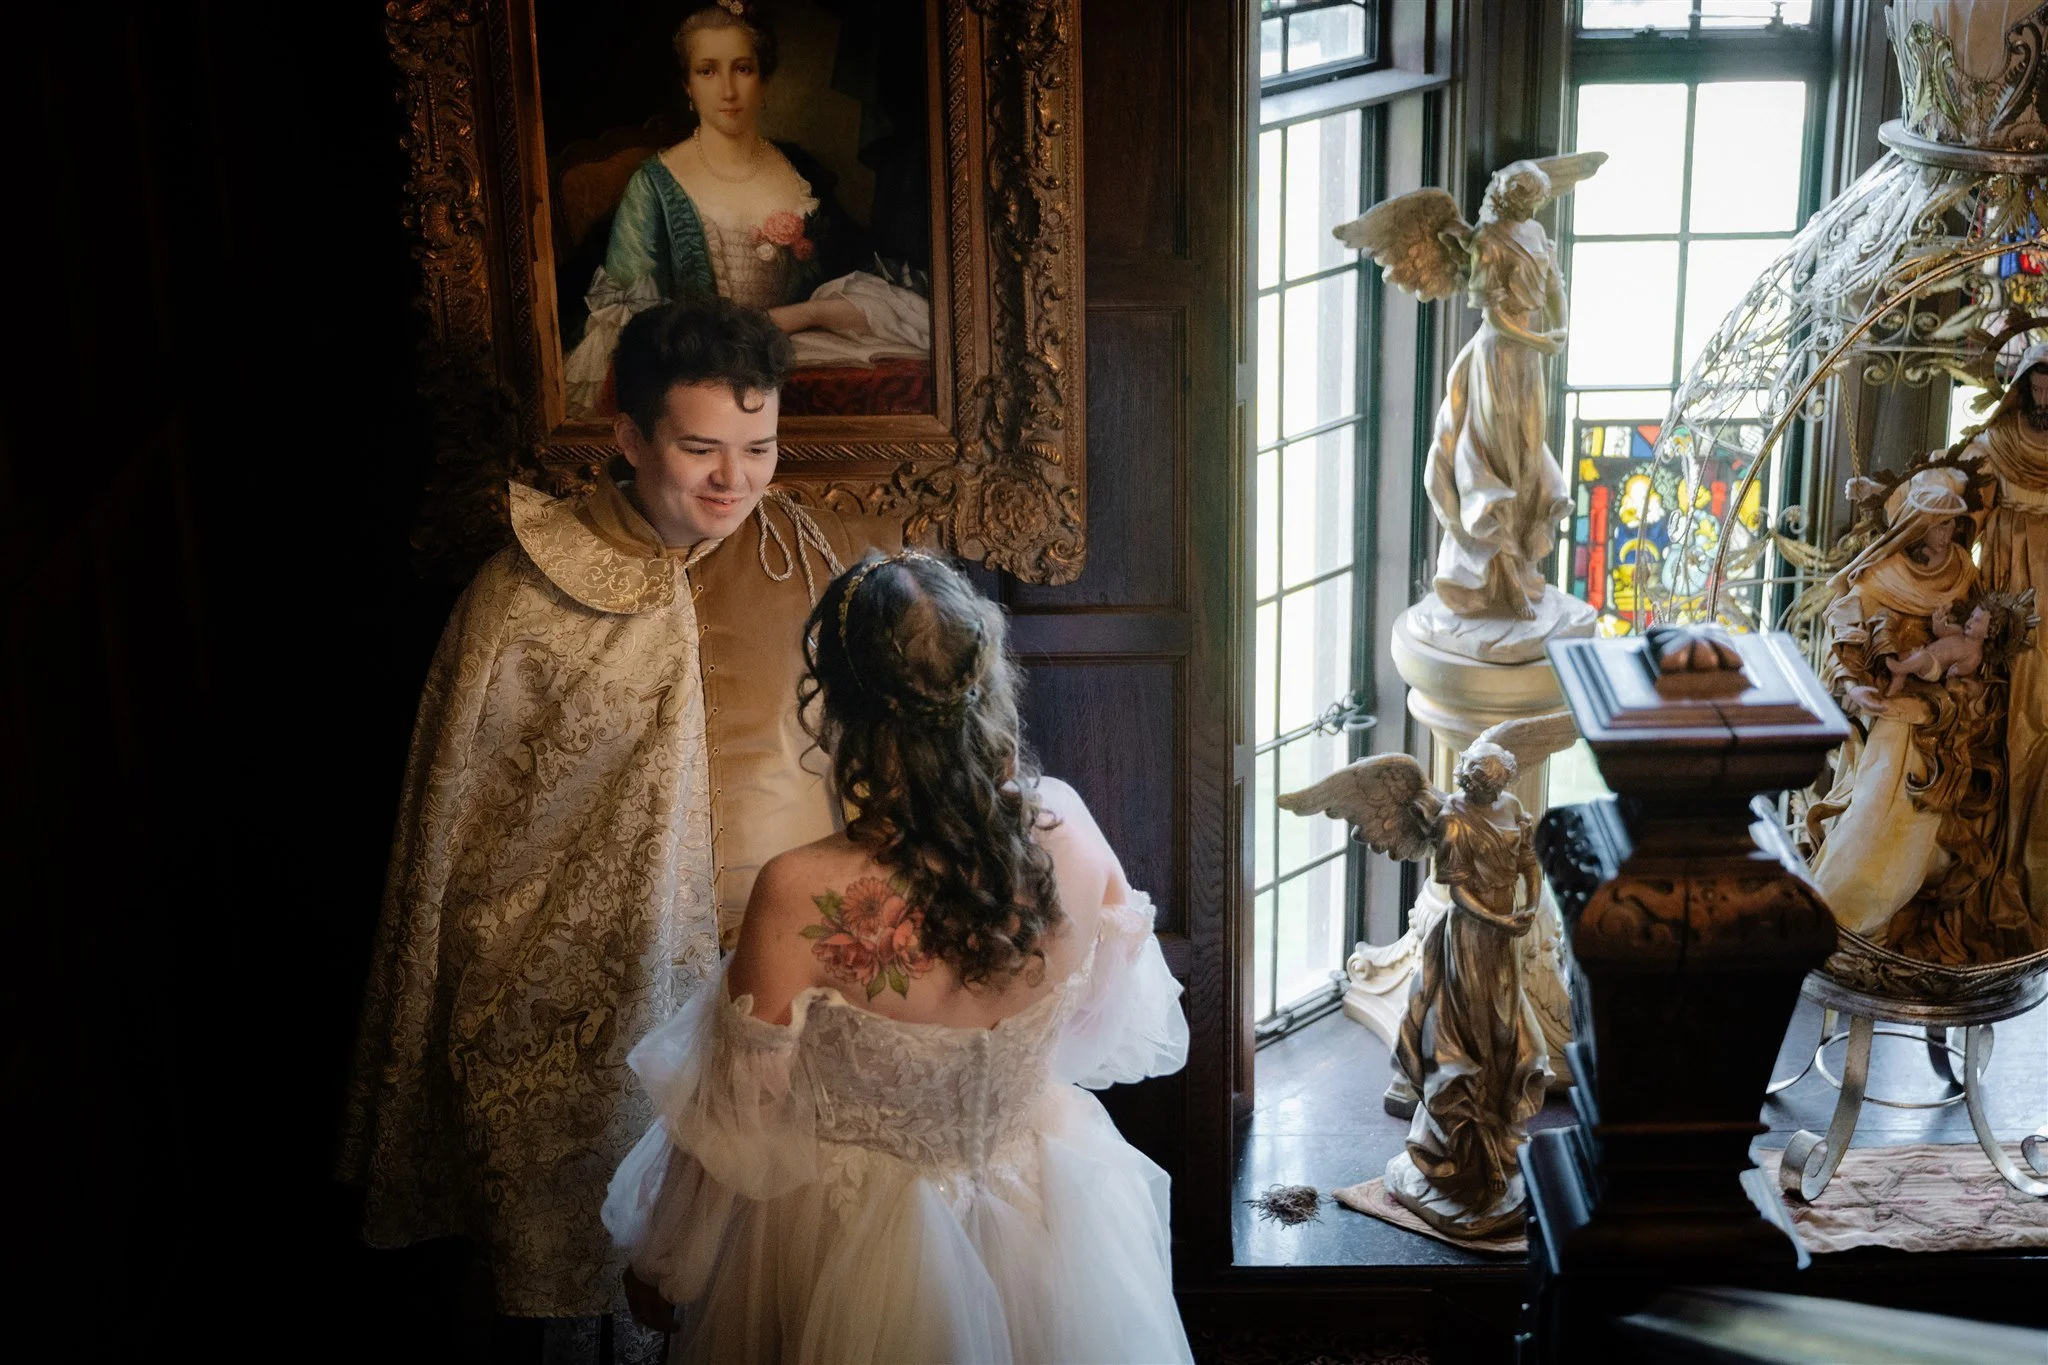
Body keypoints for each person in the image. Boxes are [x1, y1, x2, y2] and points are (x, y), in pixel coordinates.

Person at [339, 297, 900, 1348]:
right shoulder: (516, 601)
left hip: (772, 990)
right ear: (629, 438)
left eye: (758, 446)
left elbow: (861, 772)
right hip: (572, 1007)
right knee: (591, 1288)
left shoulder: (811, 562)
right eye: (699, 449)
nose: (733, 479)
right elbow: (459, 843)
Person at [602, 552, 1194, 1364]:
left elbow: (739, 1119)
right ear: (986, 689)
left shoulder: (800, 893)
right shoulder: (1072, 830)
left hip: (845, 1240)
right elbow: (1103, 1024)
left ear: (840, 713)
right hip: (1050, 1210)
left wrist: (672, 1259)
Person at [563, 0, 930, 417]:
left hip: (797, 352)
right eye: (707, 71)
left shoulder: (797, 172)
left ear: (764, 80)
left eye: (743, 68)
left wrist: (803, 314)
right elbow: (634, 327)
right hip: (701, 373)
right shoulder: (654, 186)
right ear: (687, 85)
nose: (728, 91)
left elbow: (858, 271)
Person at [1961, 343, 2048, 948]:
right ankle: (1996, 861)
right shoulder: (1996, 442)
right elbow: (1954, 495)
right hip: (2009, 598)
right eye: (2038, 381)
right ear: (2022, 384)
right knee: (2002, 715)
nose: (2046, 393)